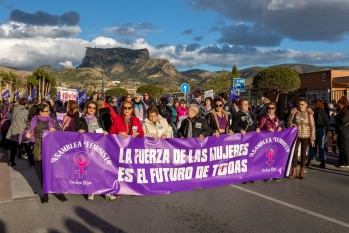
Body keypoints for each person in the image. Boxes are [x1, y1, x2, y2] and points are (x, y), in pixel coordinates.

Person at [20, 103, 67, 203]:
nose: (49, 112)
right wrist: (26, 136)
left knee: (55, 172)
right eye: (47, 111)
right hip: (40, 150)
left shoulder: (52, 120)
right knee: (43, 173)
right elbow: (25, 133)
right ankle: (45, 194)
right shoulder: (33, 121)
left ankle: (59, 192)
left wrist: (55, 131)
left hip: (54, 151)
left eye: (49, 111)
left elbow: (60, 133)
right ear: (40, 112)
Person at [77, 101, 116, 201]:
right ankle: (91, 190)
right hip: (87, 148)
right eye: (90, 107)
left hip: (99, 147)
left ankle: (107, 191)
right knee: (91, 171)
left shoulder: (98, 119)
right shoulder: (81, 119)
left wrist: (105, 132)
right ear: (86, 108)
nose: (91, 109)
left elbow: (103, 130)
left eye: (94, 108)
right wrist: (79, 131)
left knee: (103, 169)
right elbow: (75, 132)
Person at [288, 97, 315, 179]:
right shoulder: (295, 111)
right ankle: (294, 171)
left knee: (303, 154)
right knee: (294, 153)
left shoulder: (309, 113)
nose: (300, 106)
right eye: (299, 104)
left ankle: (302, 172)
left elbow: (312, 126)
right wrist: (291, 124)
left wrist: (312, 138)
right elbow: (289, 122)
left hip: (306, 135)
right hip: (296, 135)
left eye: (302, 104)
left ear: (306, 105)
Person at [6, 98, 34, 167]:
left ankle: (11, 161)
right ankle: (31, 160)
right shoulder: (25, 111)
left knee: (14, 146)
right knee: (26, 145)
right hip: (21, 130)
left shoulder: (15, 109)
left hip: (14, 129)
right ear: (25, 103)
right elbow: (26, 120)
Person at [307, 99, 329, 168]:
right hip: (322, 129)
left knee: (312, 144)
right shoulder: (324, 111)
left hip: (314, 129)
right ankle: (323, 161)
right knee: (321, 146)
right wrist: (326, 132)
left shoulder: (313, 111)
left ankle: (310, 160)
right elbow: (327, 123)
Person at [335, 96, 349, 168]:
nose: (339, 106)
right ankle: (340, 162)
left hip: (345, 131)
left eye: (340, 105)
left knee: (344, 147)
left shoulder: (346, 111)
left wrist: (336, 116)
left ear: (343, 104)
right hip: (341, 131)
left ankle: (346, 162)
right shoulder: (341, 110)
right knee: (340, 147)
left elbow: (344, 120)